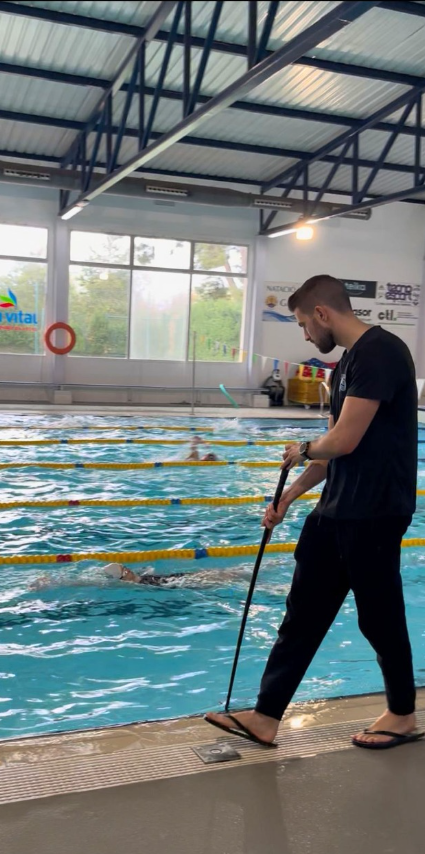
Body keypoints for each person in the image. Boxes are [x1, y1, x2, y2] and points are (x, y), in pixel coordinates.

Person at [206, 274, 422, 751]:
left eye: (304, 323)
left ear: (323, 314)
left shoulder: (381, 353)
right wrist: (289, 496)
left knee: (379, 617)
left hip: (374, 512)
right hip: (336, 511)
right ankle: (265, 717)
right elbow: (330, 456)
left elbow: (340, 440)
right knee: (302, 614)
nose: (304, 334)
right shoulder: (345, 363)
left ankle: (403, 714)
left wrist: (300, 447)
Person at [31, 561, 253, 591]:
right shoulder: (139, 582)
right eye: (125, 570)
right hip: (173, 582)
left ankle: (252, 572)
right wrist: (54, 582)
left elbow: (83, 581)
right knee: (224, 576)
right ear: (124, 576)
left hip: (172, 579)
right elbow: (82, 582)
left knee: (225, 574)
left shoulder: (141, 579)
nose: (128, 569)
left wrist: (53, 581)